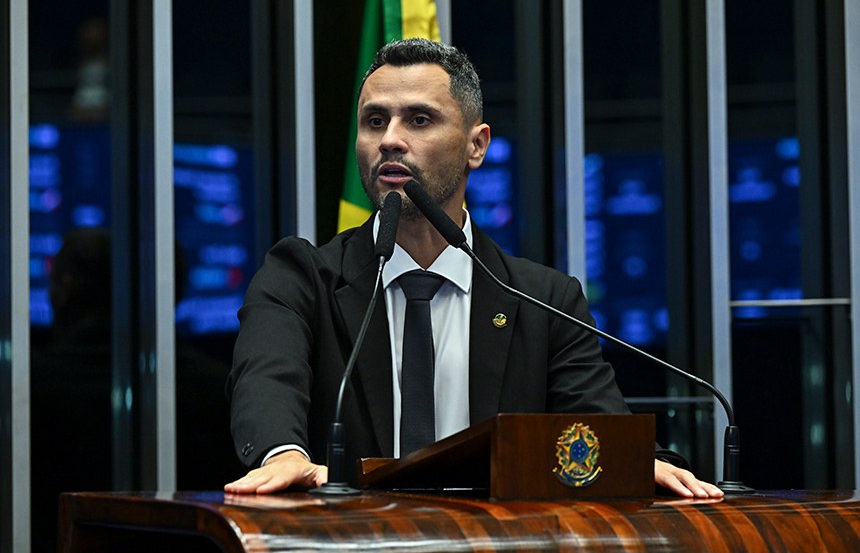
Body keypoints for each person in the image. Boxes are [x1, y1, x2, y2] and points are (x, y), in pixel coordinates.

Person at [225, 38, 723, 499]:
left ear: (476, 146)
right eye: (375, 121)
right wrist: (283, 453)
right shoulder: (301, 276)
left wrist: (633, 461)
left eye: (419, 120)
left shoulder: (543, 300)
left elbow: (595, 428)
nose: (390, 140)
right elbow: (267, 377)